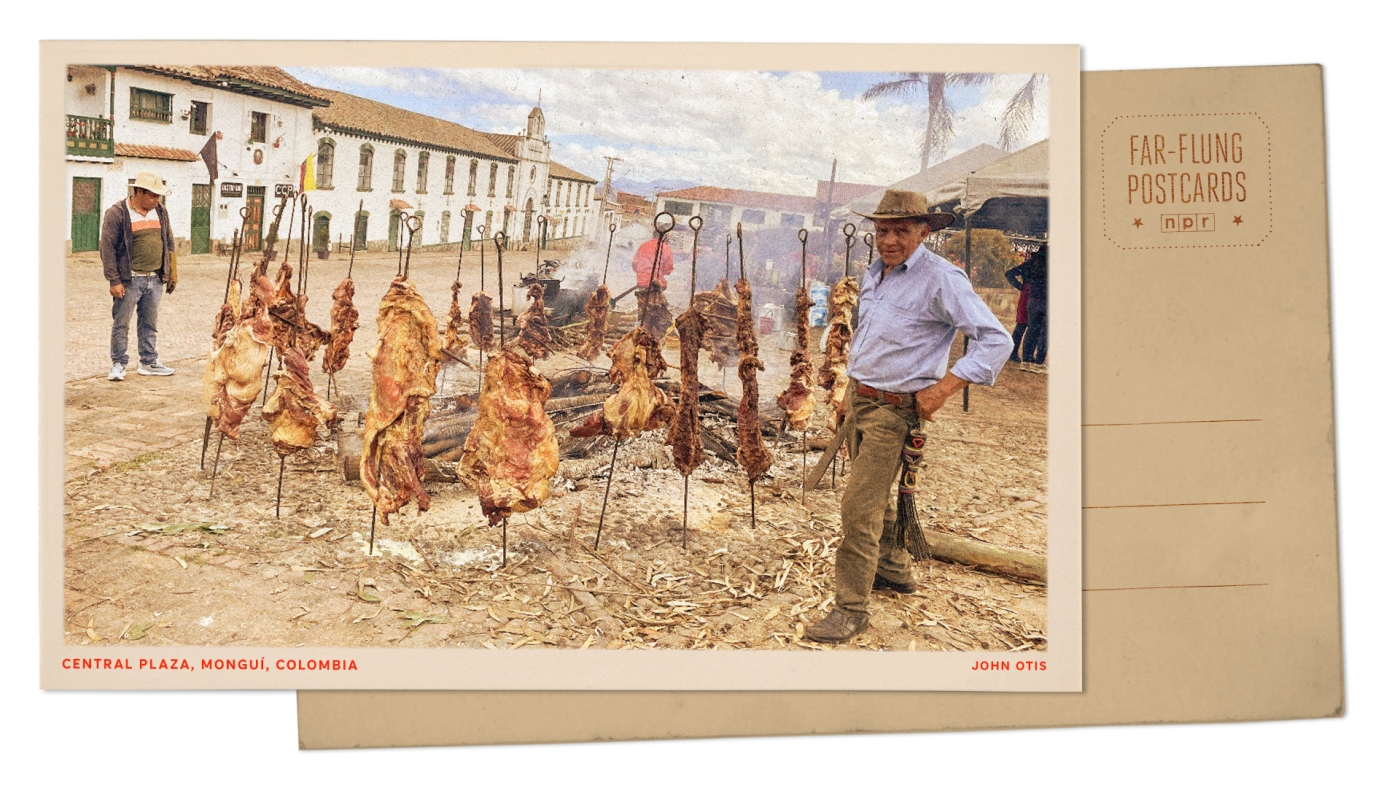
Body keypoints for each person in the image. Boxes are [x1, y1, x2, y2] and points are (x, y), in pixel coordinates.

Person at [804, 189, 1013, 644]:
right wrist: (850, 391)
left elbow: (997, 340)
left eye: (901, 230)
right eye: (882, 230)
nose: (890, 239)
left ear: (924, 232)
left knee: (859, 507)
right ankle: (894, 569)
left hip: (896, 411)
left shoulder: (943, 278)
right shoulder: (877, 272)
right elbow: (873, 337)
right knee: (876, 497)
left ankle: (851, 608)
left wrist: (943, 389)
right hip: (862, 400)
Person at [100, 172, 177, 381]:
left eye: (158, 196)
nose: (157, 200)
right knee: (121, 323)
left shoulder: (160, 212)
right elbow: (107, 249)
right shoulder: (117, 213)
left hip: (155, 279)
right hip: (130, 280)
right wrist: (114, 280)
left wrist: (171, 271)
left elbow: (168, 241)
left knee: (149, 323)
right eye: (153, 195)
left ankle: (148, 362)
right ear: (139, 192)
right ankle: (118, 364)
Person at [1007, 246, 1048, 372]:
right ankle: (1038, 362)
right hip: (1043, 298)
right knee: (1043, 331)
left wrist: (1021, 286)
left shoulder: (1031, 263)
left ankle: (1023, 359)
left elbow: (1009, 274)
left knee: (1026, 327)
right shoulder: (1051, 264)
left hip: (1030, 296)